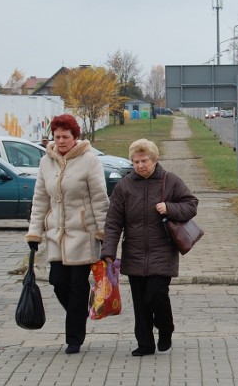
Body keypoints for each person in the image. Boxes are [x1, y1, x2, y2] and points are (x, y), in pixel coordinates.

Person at [101, 138, 198, 357]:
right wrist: (108, 250)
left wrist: (170, 208)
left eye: (144, 160)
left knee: (156, 294)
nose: (140, 165)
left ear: (154, 160)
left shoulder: (170, 181)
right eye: (135, 161)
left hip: (162, 250)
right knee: (140, 301)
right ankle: (144, 343)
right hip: (134, 251)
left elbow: (191, 205)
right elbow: (113, 220)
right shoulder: (125, 186)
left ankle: (165, 328)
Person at [24, 114, 109, 355]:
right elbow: (40, 199)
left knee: (78, 286)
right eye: (57, 137)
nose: (61, 141)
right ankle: (79, 312)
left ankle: (74, 338)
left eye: (66, 137)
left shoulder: (89, 160)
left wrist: (103, 233)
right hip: (56, 236)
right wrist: (34, 233)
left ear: (75, 137)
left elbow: (99, 199)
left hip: (84, 234)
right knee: (57, 282)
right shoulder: (45, 162)